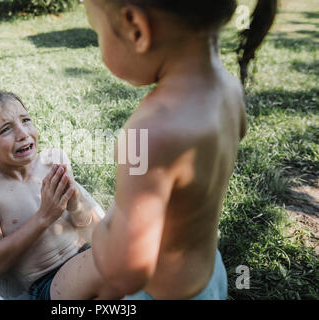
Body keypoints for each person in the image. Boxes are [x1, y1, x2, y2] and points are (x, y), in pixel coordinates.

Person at [84, 0, 277, 299]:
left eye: (97, 31)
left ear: (136, 28)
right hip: (210, 278)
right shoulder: (229, 90)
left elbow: (125, 272)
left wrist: (98, 231)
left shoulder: (150, 132)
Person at [0, 90, 123, 300]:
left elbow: (91, 230)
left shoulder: (54, 160)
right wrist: (44, 216)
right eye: (5, 130)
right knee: (112, 260)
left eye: (26, 120)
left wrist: (75, 204)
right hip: (49, 282)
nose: (23, 134)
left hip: (89, 255)